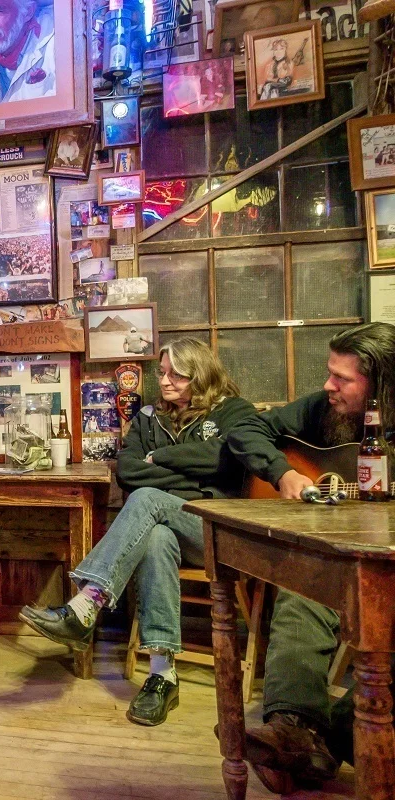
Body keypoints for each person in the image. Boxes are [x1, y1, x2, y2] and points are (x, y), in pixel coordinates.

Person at [19, 339, 257, 725]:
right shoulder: (148, 417)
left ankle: (86, 603)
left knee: (147, 497)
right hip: (167, 530)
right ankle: (162, 675)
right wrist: (188, 473)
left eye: (176, 375)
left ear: (201, 375)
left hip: (212, 530)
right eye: (162, 372)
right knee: (156, 537)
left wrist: (160, 458)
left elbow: (223, 461)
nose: (164, 381)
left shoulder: (234, 412)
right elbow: (127, 470)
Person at [226, 322, 395, 793]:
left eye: (343, 378)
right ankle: (292, 726)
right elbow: (245, 429)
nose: (328, 386)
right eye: (329, 372)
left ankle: (329, 738)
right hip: (347, 555)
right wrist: (281, 473)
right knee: (302, 593)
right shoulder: (322, 409)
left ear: (381, 386)